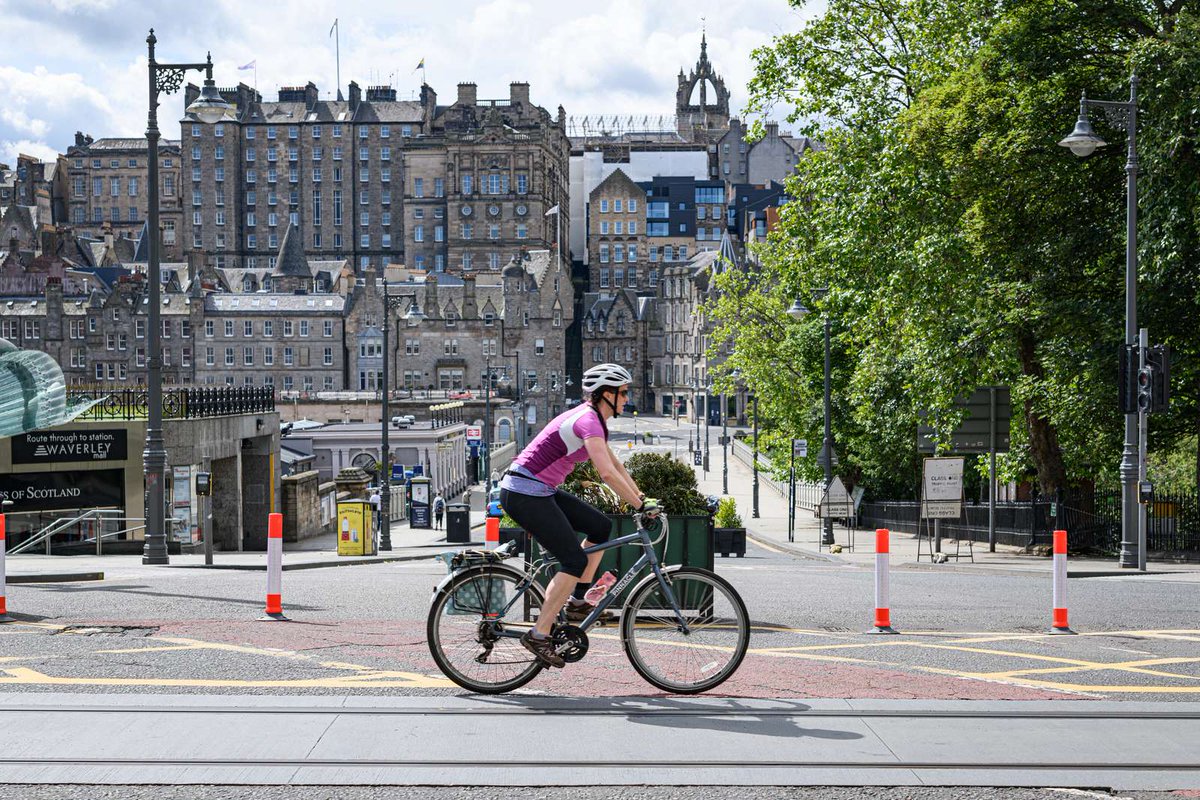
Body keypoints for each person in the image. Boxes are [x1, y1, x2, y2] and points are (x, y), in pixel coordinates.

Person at [499, 363, 660, 669]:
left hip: (538, 489)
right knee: (573, 560)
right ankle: (539, 634)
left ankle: (577, 602)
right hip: (524, 492)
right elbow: (606, 474)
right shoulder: (588, 421)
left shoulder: (594, 420)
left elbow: (617, 467)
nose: (627, 398)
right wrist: (639, 508)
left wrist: (641, 498)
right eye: (623, 392)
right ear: (606, 394)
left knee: (600, 526)